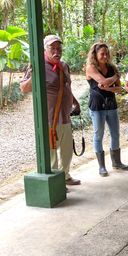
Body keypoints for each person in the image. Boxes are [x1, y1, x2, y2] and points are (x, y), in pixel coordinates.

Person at [20, 35, 81, 186]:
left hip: (65, 116)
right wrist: (35, 73)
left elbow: (65, 87)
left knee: (66, 151)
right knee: (52, 154)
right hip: (49, 119)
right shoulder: (38, 66)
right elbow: (24, 88)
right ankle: (55, 184)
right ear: (44, 50)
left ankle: (65, 176)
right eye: (52, 48)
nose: (56, 51)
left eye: (59, 48)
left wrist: (75, 102)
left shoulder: (64, 65)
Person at [85, 42, 128, 177]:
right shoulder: (91, 68)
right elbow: (103, 82)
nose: (105, 56)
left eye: (107, 53)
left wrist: (108, 87)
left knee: (115, 133)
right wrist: (114, 78)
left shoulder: (111, 67)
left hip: (111, 104)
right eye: (102, 54)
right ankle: (102, 166)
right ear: (95, 55)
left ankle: (116, 162)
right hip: (97, 105)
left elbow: (119, 89)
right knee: (98, 135)